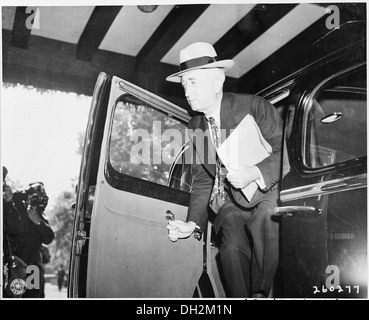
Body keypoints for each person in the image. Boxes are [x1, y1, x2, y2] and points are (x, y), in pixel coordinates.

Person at [166, 42, 287, 298]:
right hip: (232, 203)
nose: (187, 91)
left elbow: (286, 153)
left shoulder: (254, 107)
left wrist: (254, 172)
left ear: (217, 80)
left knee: (266, 215)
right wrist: (192, 223)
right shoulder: (195, 125)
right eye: (184, 84)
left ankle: (261, 293)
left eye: (193, 82)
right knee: (229, 243)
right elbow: (202, 179)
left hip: (267, 194)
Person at [12, 182, 55, 298]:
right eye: (35, 197)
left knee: (32, 295)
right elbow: (13, 196)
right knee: (15, 294)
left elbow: (49, 237)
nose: (39, 200)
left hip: (33, 268)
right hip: (16, 266)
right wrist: (29, 190)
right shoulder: (19, 209)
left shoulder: (41, 216)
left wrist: (37, 221)